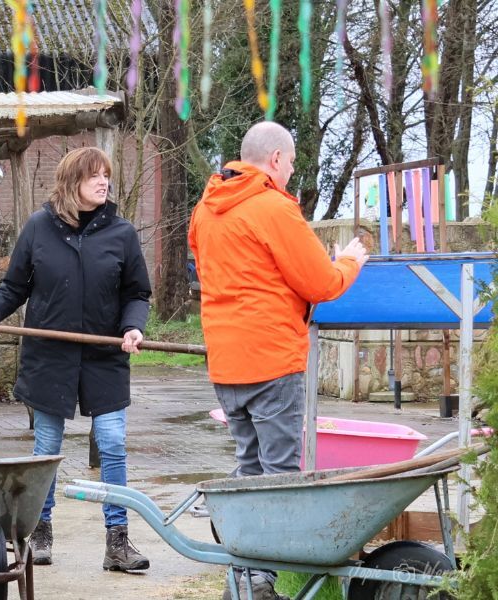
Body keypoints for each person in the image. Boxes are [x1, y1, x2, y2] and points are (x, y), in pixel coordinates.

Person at [188, 122, 368, 600]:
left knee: (250, 469)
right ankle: (260, 584)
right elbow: (321, 284)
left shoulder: (205, 209)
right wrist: (350, 260)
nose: (290, 171)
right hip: (271, 359)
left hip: (226, 362)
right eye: (289, 162)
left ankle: (242, 579)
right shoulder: (272, 207)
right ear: (273, 160)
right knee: (279, 477)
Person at [0, 147, 152, 572]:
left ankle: (117, 540)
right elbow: (14, 288)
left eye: (107, 176)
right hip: (50, 356)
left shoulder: (121, 233)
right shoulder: (40, 228)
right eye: (95, 176)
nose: (104, 182)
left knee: (114, 443)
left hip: (104, 356)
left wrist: (133, 328)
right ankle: (39, 531)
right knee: (47, 447)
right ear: (71, 182)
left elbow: (137, 293)